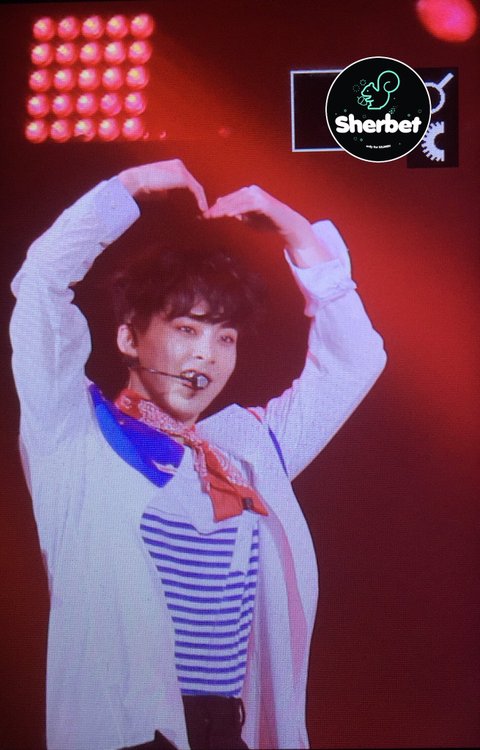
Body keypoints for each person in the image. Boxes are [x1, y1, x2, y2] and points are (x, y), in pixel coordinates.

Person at [10, 159, 386, 750]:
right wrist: (129, 187)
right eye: (187, 329)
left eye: (225, 337)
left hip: (224, 730)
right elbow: (40, 286)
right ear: (129, 337)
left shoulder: (246, 452)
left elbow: (353, 362)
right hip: (129, 732)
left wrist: (296, 230)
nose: (207, 354)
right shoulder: (75, 433)